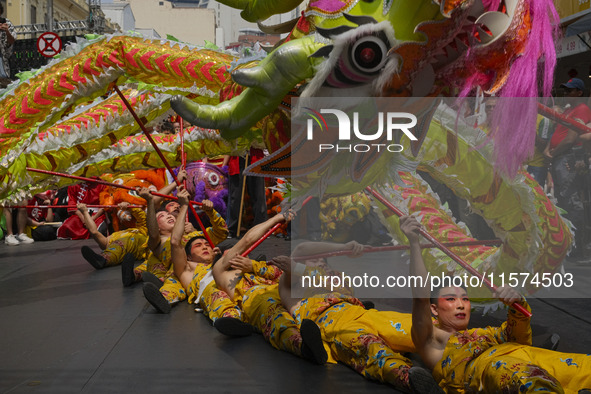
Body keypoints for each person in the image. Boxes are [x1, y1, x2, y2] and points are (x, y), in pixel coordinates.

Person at [401, 215, 591, 392]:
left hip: (530, 357)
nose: (461, 304)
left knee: (584, 368)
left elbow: (518, 338)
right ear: (433, 309)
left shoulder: (486, 334)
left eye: (465, 299)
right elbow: (420, 298)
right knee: (524, 377)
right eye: (451, 299)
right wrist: (414, 243)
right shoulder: (432, 342)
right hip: (504, 372)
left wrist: (516, 303)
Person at [545, 78, 591, 262]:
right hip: (559, 157)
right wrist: (549, 149)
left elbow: (571, 138)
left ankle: (580, 246)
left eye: (570, 90)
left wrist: (554, 151)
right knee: (564, 200)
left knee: (570, 201)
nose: (566, 93)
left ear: (579, 92)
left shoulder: (581, 109)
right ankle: (572, 245)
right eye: (565, 90)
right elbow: (557, 133)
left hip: (568, 157)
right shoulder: (567, 110)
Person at [0, 3, 15, 88]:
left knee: (4, 83)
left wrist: (7, 31)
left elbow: (12, 41)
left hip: (2, 61)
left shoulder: (6, 22)